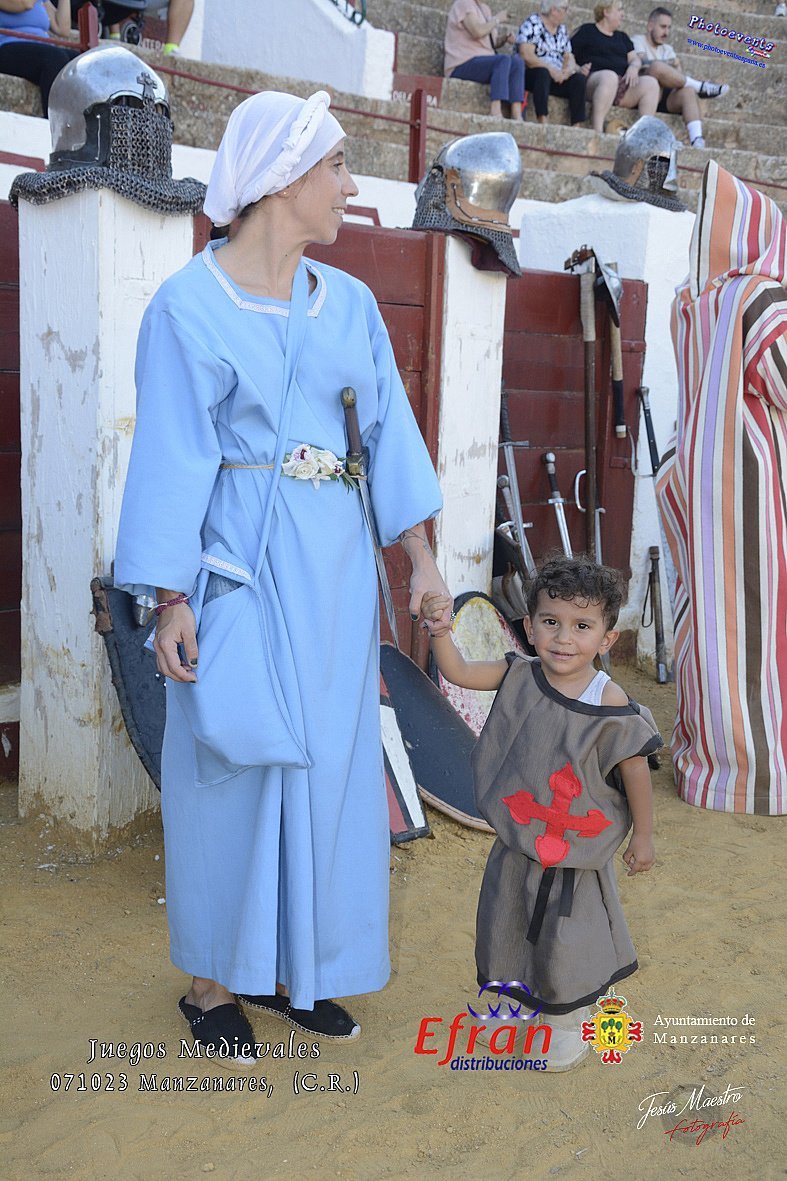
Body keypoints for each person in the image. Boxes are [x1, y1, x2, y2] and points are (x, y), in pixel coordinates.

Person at [114, 89, 451, 1063]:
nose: (349, 184)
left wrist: (421, 557)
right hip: (239, 580)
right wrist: (170, 598)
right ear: (282, 176)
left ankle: (295, 968)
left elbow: (386, 435)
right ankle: (211, 984)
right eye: (337, 164)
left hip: (337, 583)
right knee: (231, 769)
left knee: (328, 774)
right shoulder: (188, 307)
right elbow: (172, 457)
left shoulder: (348, 304)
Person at [422, 556, 661, 1070]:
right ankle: (519, 1006)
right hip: (518, 842)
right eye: (551, 622)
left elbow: (635, 769)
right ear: (529, 628)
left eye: (582, 626)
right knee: (507, 922)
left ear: (607, 639)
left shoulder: (608, 700)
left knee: (566, 936)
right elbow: (458, 671)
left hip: (574, 857)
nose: (563, 638)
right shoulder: (520, 675)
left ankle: (566, 1023)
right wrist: (440, 630)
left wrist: (643, 836)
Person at [656, 161, 787, 817]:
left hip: (695, 483)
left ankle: (708, 764)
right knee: (760, 627)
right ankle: (759, 773)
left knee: (706, 624)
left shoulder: (693, 301)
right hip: (752, 490)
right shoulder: (763, 299)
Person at [632, 7, 729, 149]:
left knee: (688, 91)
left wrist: (673, 67)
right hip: (644, 91)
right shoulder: (637, 41)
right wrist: (670, 63)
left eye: (669, 28)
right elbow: (644, 64)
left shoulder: (667, 49)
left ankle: (697, 140)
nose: (666, 32)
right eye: (663, 27)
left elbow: (678, 79)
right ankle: (701, 87)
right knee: (656, 67)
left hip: (665, 96)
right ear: (650, 26)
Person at [570, 0, 659, 133]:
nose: (623, 14)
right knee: (609, 77)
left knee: (651, 83)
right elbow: (568, 55)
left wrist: (633, 67)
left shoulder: (622, 37)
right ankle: (597, 131)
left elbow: (635, 59)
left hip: (621, 84)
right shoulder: (587, 31)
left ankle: (644, 134)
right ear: (606, 12)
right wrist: (578, 68)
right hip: (594, 81)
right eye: (619, 10)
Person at [444, 1, 525, 120]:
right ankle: (495, 111)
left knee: (517, 62)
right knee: (502, 60)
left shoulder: (485, 9)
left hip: (483, 62)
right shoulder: (464, 4)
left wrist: (504, 39)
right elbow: (477, 32)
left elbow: (492, 42)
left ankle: (517, 114)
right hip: (462, 63)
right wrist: (497, 19)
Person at [515, 1, 590, 126]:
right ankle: (543, 120)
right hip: (534, 74)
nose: (567, 13)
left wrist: (567, 71)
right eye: (565, 9)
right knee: (543, 73)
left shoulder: (562, 29)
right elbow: (526, 54)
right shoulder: (533, 23)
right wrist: (551, 70)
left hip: (556, 77)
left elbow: (569, 56)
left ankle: (576, 125)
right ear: (554, 10)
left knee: (578, 80)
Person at [0, 0, 76, 115]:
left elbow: (62, 29)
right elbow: (24, 4)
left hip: (41, 48)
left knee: (80, 63)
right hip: (6, 46)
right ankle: (54, 122)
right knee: (53, 59)